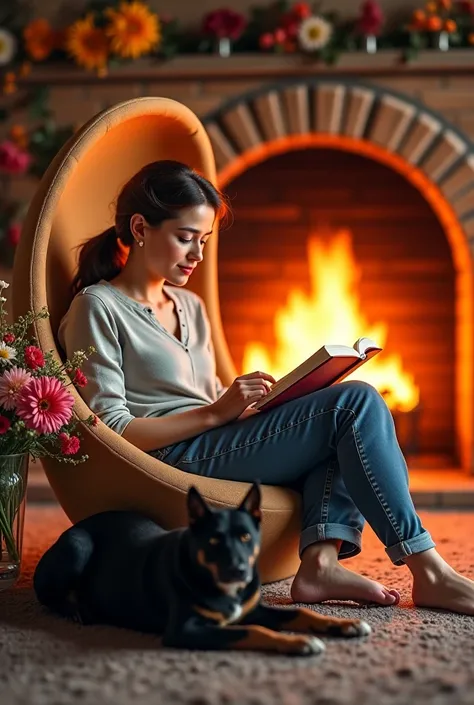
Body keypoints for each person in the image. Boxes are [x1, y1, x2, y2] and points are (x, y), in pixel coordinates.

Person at [59, 159, 474, 615]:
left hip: (214, 440)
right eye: (184, 238)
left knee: (344, 420)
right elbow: (112, 429)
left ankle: (319, 565)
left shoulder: (189, 305)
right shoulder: (97, 307)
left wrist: (261, 406)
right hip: (166, 456)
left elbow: (210, 393)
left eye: (204, 240)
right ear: (140, 227)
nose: (196, 254)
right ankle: (428, 569)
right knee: (356, 404)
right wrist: (218, 412)